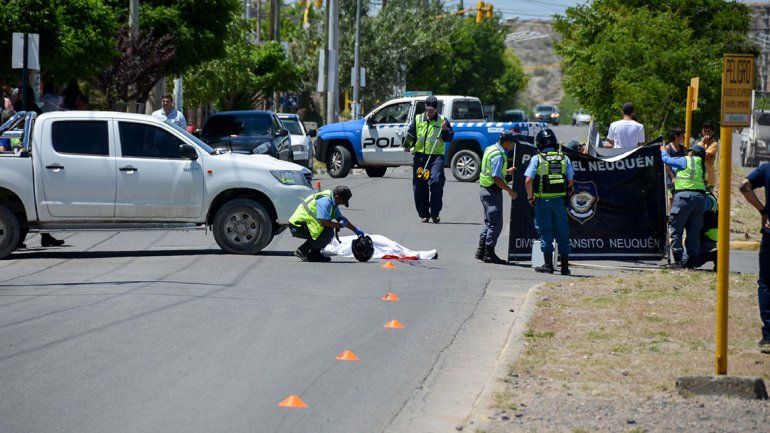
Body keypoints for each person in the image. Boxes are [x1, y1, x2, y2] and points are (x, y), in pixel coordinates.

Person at [525, 128, 575, 275]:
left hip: (543, 201)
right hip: (559, 201)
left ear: (540, 143)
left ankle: (548, 265)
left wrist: (530, 197)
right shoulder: (564, 158)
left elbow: (528, 180)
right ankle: (564, 267)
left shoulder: (537, 159)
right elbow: (571, 181)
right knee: (562, 232)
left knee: (545, 231)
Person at [403, 95, 454, 223]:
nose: (429, 112)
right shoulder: (418, 118)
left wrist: (444, 130)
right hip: (420, 156)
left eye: (432, 110)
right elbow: (411, 133)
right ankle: (424, 214)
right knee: (419, 186)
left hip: (436, 156)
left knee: (436, 182)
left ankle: (435, 213)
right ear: (425, 108)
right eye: (428, 109)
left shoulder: (442, 120)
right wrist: (407, 145)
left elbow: (449, 137)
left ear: (436, 109)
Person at [739, 165, 770, 353]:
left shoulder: (766, 169)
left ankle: (768, 336)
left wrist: (763, 210)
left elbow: (744, 186)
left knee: (766, 282)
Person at [288, 185, 365, 262]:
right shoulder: (325, 201)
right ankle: (303, 251)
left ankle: (314, 254)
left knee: (329, 229)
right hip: (297, 226)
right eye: (342, 201)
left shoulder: (332, 200)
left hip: (303, 225)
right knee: (328, 231)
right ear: (337, 197)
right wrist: (339, 225)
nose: (342, 204)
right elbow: (323, 222)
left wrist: (355, 230)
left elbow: (341, 219)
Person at [661, 144, 708, 268]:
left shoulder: (685, 159)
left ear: (692, 152)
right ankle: (690, 261)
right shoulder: (702, 165)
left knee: (676, 228)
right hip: (699, 199)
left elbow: (666, 160)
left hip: (684, 198)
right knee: (693, 231)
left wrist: (663, 151)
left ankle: (678, 260)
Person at [476, 130, 518, 264]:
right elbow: (495, 177)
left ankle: (481, 250)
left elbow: (490, 170)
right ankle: (489, 253)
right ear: (507, 143)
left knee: (489, 221)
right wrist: (509, 190)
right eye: (512, 144)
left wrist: (506, 171)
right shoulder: (498, 155)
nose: (512, 147)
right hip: (492, 190)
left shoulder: (490, 148)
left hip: (484, 189)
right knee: (496, 223)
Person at [690, 193, 718, 270]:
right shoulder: (710, 199)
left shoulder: (706, 201)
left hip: (708, 236)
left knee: (692, 262)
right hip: (709, 235)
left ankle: (716, 255)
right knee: (689, 259)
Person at [664, 127, 686, 206]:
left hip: (681, 178)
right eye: (682, 136)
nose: (684, 138)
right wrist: (672, 177)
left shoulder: (683, 149)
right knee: (671, 198)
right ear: (676, 137)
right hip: (670, 178)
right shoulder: (668, 148)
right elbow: (666, 164)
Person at [697, 122, 719, 190]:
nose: (706, 133)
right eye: (705, 131)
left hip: (708, 180)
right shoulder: (700, 143)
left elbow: (703, 156)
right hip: (698, 179)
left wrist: (702, 143)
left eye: (709, 131)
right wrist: (703, 143)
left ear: (713, 132)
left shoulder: (714, 144)